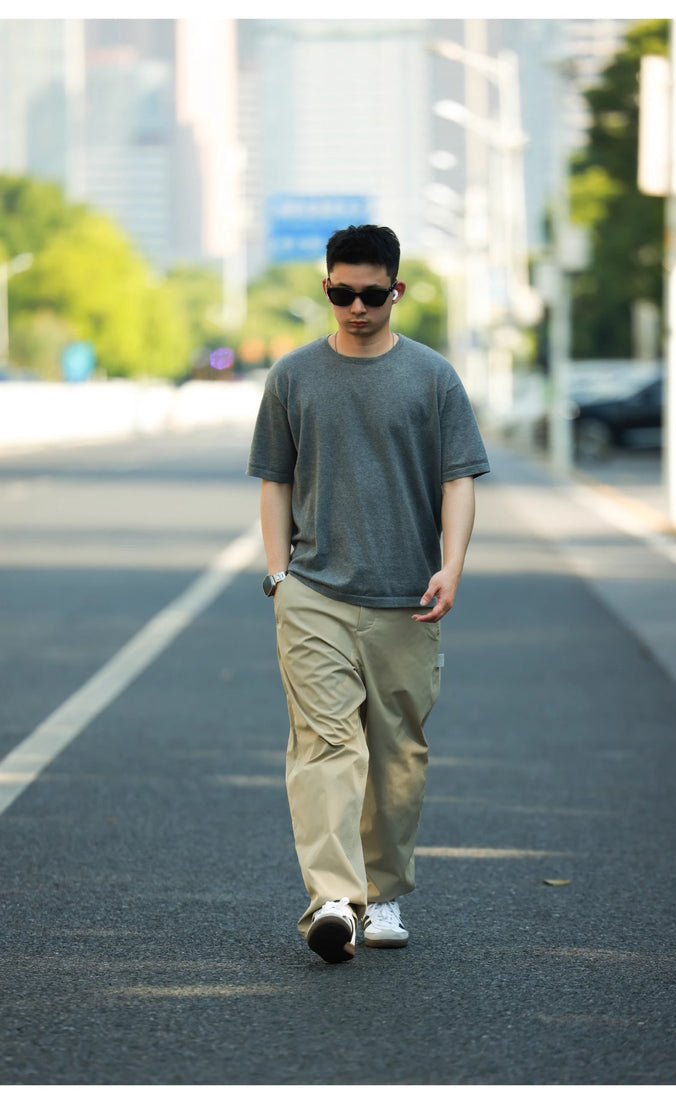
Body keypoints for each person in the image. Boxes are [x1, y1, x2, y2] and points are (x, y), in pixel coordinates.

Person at [247, 224, 490, 964]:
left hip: (407, 598)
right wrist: (279, 577)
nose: (357, 307)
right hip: (314, 593)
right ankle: (332, 898)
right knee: (326, 744)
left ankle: (381, 892)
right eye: (343, 293)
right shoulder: (292, 376)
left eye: (372, 294)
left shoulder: (433, 378)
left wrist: (452, 566)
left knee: (396, 755)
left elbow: (458, 480)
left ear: (396, 290)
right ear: (326, 288)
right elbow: (275, 481)